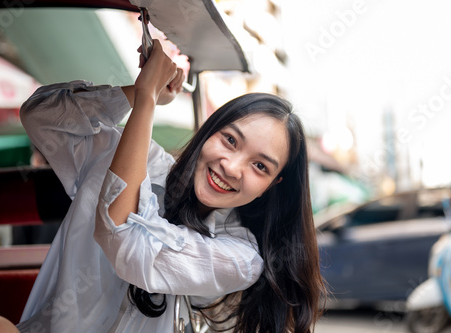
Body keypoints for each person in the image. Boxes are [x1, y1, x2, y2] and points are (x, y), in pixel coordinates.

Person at [16, 40, 326, 333]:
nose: (231, 168)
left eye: (260, 166)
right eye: (229, 140)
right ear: (207, 133)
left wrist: (148, 99)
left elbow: (123, 241)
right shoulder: (128, 156)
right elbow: (40, 116)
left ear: (273, 185)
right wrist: (136, 94)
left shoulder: (241, 257)